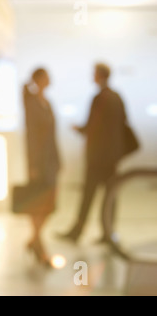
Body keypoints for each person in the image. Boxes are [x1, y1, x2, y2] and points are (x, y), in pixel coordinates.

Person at [57, 62, 127, 243]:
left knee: (88, 195)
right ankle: (108, 233)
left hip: (97, 158)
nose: (92, 76)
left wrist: (78, 129)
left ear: (100, 75)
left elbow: (91, 127)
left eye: (94, 73)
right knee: (110, 196)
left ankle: (77, 232)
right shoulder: (117, 97)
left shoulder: (99, 98)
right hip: (111, 157)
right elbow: (123, 124)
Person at [21, 68, 61, 266]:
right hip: (39, 161)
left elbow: (53, 135)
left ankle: (34, 239)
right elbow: (31, 136)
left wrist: (58, 159)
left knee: (49, 204)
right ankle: (39, 245)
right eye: (45, 77)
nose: (49, 80)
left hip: (51, 160)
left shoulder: (47, 103)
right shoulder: (31, 104)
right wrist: (33, 164)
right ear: (38, 80)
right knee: (39, 203)